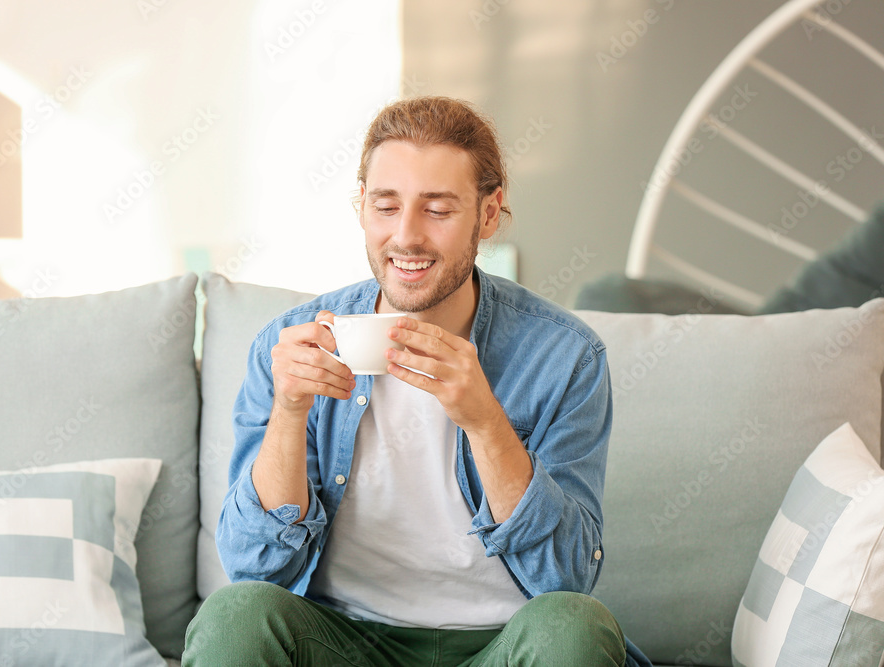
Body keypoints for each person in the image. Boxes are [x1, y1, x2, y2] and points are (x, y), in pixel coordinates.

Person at [183, 96, 649, 666]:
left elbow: (567, 577)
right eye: (386, 206)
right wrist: (288, 413)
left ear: (488, 214)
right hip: (343, 643)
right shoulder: (289, 345)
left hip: (501, 646)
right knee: (234, 615)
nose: (406, 237)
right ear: (361, 210)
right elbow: (254, 569)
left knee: (576, 626)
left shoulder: (564, 357)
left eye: (437, 209)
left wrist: (484, 420)